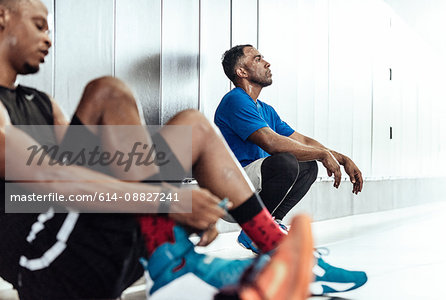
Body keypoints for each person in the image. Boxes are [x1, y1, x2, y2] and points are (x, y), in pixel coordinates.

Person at [0, 1, 316, 299]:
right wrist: (167, 199)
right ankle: (171, 248)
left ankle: (272, 249)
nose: (48, 40)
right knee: (107, 94)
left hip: (82, 242)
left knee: (187, 123)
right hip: (40, 263)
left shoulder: (42, 105)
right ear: (3, 17)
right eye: (39, 26)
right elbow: (50, 177)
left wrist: (168, 199)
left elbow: (81, 175)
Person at [215, 44, 367, 294]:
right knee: (285, 161)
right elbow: (272, 143)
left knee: (307, 164)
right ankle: (253, 231)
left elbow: (302, 142)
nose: (267, 63)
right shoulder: (235, 101)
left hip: (252, 188)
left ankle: (269, 223)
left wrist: (340, 157)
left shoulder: (265, 110)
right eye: (258, 58)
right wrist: (322, 154)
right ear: (241, 71)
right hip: (232, 192)